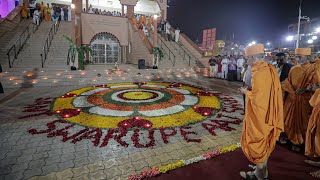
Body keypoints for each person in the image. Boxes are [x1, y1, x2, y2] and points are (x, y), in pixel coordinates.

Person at [239, 44, 284, 180]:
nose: (246, 61)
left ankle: (258, 175)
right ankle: (262, 170)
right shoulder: (268, 68)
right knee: (263, 139)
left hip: (260, 112)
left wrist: (245, 91)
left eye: (247, 58)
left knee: (257, 138)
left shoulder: (260, 72)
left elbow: (259, 96)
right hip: (267, 110)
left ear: (253, 57)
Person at [281, 48, 319, 151]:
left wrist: (308, 89)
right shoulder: (294, 69)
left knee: (304, 122)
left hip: (306, 100)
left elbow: (317, 86)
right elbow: (287, 82)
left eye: (300, 57)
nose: (297, 59)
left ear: (307, 57)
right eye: (296, 56)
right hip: (292, 99)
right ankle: (291, 139)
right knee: (288, 120)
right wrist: (289, 90)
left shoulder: (314, 69)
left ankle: (301, 142)